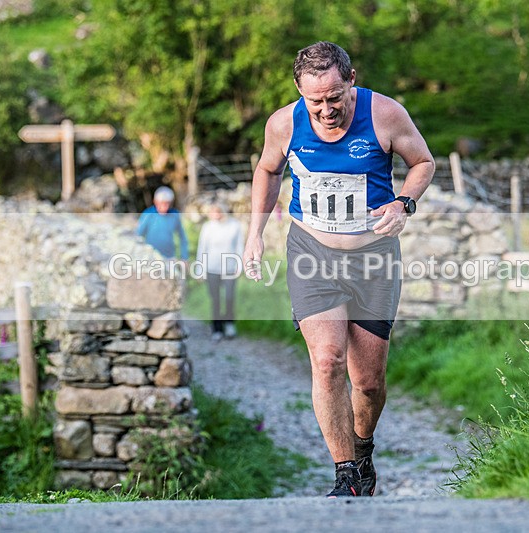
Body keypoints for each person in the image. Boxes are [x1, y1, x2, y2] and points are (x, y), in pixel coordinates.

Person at [242, 41, 434, 498]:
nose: (326, 110)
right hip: (313, 254)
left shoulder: (385, 114)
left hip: (373, 257)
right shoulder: (283, 124)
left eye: (335, 97)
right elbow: (268, 171)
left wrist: (405, 202)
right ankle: (345, 474)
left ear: (351, 79)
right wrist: (255, 233)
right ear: (299, 91)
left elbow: (423, 162)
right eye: (315, 101)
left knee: (367, 383)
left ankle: (362, 447)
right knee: (327, 362)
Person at [196, 203, 244, 341]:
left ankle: (229, 324)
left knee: (229, 297)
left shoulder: (234, 225)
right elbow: (202, 248)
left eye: (218, 212)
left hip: (229, 268)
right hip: (212, 267)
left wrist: (239, 265)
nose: (215, 215)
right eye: (213, 212)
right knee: (215, 299)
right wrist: (200, 269)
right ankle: (217, 328)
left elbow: (239, 246)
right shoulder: (207, 227)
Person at [136, 186, 189, 264]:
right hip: (151, 258)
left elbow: (183, 238)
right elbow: (138, 235)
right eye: (162, 203)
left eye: (167, 203)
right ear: (155, 202)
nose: (165, 206)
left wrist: (184, 257)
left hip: (169, 257)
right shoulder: (148, 214)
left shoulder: (174, 215)